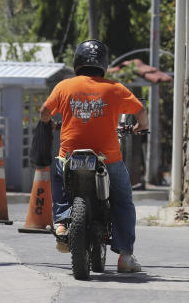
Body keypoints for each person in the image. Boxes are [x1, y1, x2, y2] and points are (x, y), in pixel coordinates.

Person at [40, 39, 150, 273]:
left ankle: (61, 223)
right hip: (106, 159)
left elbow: (44, 112)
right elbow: (141, 111)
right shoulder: (115, 89)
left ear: (78, 62)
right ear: (104, 63)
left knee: (59, 177)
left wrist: (48, 123)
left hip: (70, 156)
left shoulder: (64, 87)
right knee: (123, 200)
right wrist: (141, 126)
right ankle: (125, 257)